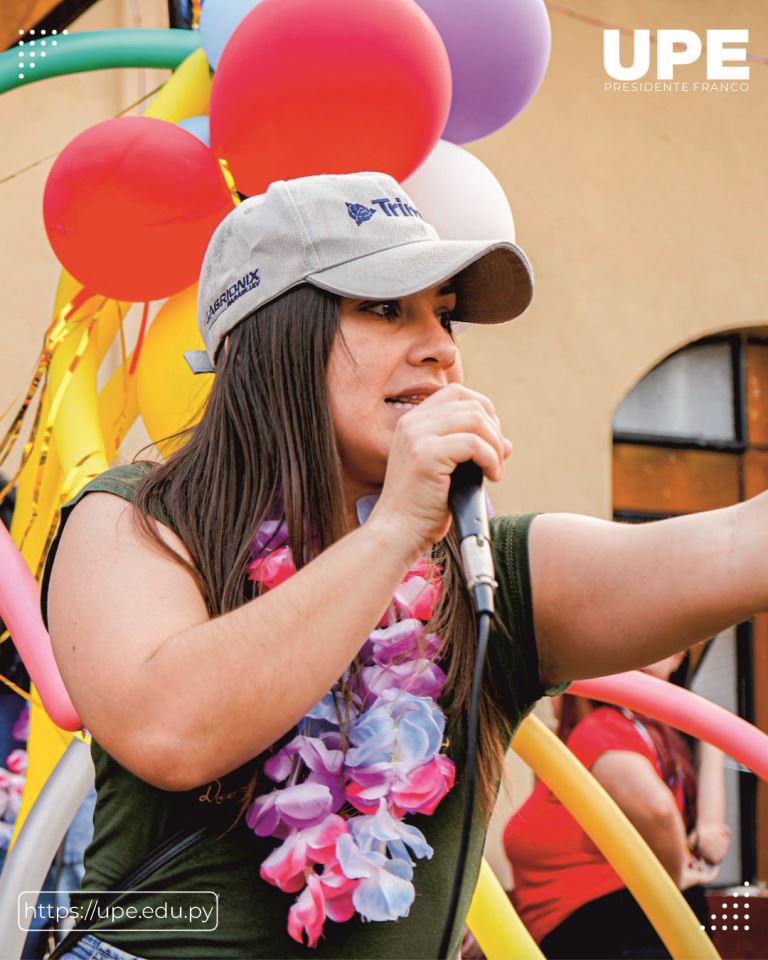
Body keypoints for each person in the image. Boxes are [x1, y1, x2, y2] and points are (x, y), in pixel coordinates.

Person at [41, 172, 766, 960]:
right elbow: (169, 729)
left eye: (444, 315)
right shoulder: (132, 518)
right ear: (272, 332)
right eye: (386, 308)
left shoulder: (496, 572)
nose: (442, 349)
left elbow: (736, 550)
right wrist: (391, 533)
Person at [503, 653, 731, 959]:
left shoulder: (604, 728)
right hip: (628, 932)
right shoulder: (602, 743)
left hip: (617, 935)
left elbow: (659, 812)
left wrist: (674, 880)